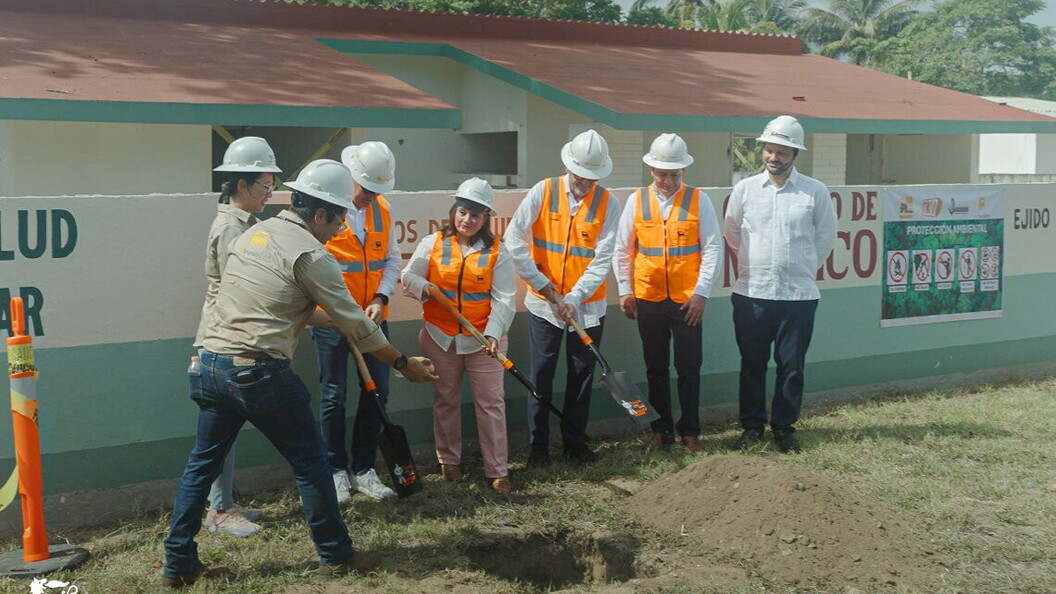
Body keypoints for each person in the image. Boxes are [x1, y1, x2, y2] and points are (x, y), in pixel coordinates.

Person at [162, 159, 437, 589]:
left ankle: (178, 564)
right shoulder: (312, 255)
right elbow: (360, 325)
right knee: (311, 463)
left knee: (201, 465)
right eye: (339, 218)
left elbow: (278, 304)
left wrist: (336, 323)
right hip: (258, 372)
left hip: (211, 365)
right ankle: (337, 554)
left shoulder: (255, 233)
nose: (342, 229)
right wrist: (403, 363)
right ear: (321, 213)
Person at [503, 129, 621, 466]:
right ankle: (538, 447)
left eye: (591, 177)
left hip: (587, 307)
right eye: (580, 175)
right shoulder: (544, 190)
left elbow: (603, 258)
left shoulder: (608, 203)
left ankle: (574, 443)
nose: (585, 182)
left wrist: (575, 297)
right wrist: (543, 286)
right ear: (569, 166)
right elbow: (514, 240)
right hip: (544, 305)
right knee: (541, 375)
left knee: (581, 376)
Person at [723, 115, 837, 454]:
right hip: (751, 294)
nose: (774, 157)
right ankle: (752, 428)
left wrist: (803, 267)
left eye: (782, 152)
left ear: (795, 154)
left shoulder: (814, 191)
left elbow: (826, 236)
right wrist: (750, 263)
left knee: (791, 367)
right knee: (752, 364)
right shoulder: (744, 189)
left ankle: (785, 429)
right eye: (769, 151)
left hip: (797, 296)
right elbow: (732, 232)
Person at [401, 178, 516, 493]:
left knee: (491, 404)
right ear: (455, 210)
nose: (467, 220)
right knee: (446, 400)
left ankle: (497, 470)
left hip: (483, 344)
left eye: (475, 216)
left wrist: (493, 334)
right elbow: (407, 275)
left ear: (485, 219)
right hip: (440, 338)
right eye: (463, 212)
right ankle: (448, 462)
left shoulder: (497, 252)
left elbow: (505, 299)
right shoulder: (433, 243)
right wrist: (424, 287)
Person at [191, 136, 280, 537]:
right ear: (242, 185)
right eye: (265, 185)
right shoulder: (231, 228)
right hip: (223, 340)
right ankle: (219, 511)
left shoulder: (245, 224)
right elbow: (237, 288)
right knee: (218, 433)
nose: (270, 193)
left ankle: (222, 504)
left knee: (223, 430)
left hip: (228, 338)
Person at [613, 133, 723, 454]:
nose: (668, 180)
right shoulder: (636, 200)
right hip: (648, 299)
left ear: (684, 172)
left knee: (689, 368)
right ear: (651, 170)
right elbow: (623, 249)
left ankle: (690, 432)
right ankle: (660, 430)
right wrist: (625, 291)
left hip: (688, 301)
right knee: (655, 368)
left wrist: (702, 293)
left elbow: (713, 248)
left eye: (674, 174)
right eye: (662, 173)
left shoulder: (698, 200)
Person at [309, 141, 402, 502]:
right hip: (333, 322)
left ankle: (364, 469)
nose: (369, 197)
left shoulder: (384, 209)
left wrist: (381, 297)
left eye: (377, 191)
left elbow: (392, 260)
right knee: (334, 395)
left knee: (377, 392)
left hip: (374, 319)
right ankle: (335, 470)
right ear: (351, 178)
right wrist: (333, 314)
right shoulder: (326, 211)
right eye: (365, 190)